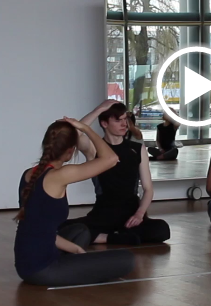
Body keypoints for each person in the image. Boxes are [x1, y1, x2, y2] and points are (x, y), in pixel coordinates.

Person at [14, 118, 135, 287]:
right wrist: (86, 129)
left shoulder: (29, 174)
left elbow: (42, 231)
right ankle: (73, 269)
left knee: (80, 231)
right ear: (71, 150)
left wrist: (77, 250)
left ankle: (74, 266)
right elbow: (111, 159)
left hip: (25, 265)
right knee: (127, 259)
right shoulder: (60, 175)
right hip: (44, 270)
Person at [61, 101, 171, 245]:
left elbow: (148, 188)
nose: (124, 124)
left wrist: (139, 214)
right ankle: (109, 238)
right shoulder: (94, 149)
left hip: (130, 215)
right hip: (103, 215)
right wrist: (99, 109)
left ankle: (107, 236)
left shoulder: (137, 149)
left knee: (162, 229)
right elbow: (75, 133)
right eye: (118, 120)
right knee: (61, 228)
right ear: (104, 123)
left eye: (125, 119)